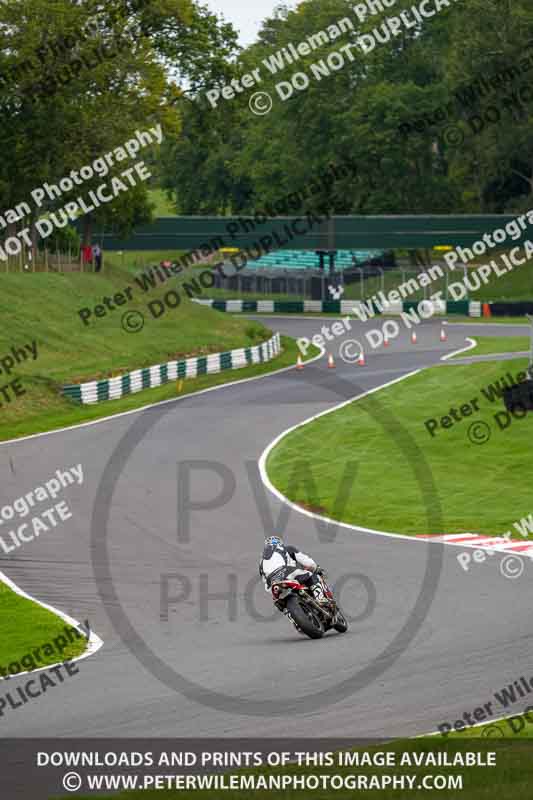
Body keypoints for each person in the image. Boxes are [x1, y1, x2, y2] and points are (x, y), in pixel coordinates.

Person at [259, 536, 328, 604]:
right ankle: (320, 598)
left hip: (271, 583)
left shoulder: (261, 561)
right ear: (280, 543)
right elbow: (306, 561)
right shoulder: (286, 549)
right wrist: (315, 567)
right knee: (311, 575)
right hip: (286, 573)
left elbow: (264, 579)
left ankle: (286, 609)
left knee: (278, 601)